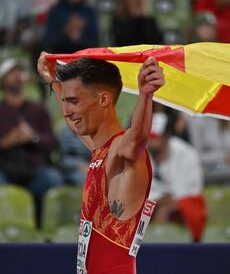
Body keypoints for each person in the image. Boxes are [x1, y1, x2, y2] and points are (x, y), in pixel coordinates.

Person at [37, 51, 164, 273]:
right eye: (66, 102)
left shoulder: (123, 150)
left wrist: (146, 95)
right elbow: (75, 126)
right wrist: (52, 79)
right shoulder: (101, 151)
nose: (66, 112)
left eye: (74, 101)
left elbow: (137, 139)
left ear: (104, 99)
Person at [0, 58, 63, 217]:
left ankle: (45, 235)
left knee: (54, 180)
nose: (17, 76)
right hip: (3, 170)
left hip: (34, 170)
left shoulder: (38, 109)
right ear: (1, 80)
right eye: (11, 73)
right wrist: (6, 142)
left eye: (20, 72)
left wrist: (33, 137)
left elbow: (54, 144)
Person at [148, 112, 207, 242]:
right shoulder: (140, 152)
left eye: (155, 137)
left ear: (167, 137)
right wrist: (159, 203)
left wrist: (168, 205)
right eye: (149, 136)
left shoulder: (187, 154)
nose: (150, 140)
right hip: (154, 203)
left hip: (182, 202)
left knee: (190, 208)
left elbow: (190, 191)